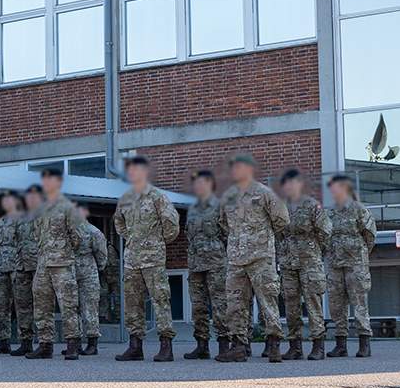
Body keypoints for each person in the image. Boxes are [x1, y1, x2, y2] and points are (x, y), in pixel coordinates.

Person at [216, 153, 289, 363]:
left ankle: (273, 344)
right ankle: (238, 346)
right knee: (235, 304)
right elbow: (223, 224)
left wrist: (261, 239)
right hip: (236, 260)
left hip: (261, 258)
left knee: (268, 301)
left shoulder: (265, 193)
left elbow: (282, 220)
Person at [113, 156, 179, 362]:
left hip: (153, 259)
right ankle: (135, 346)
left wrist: (155, 242)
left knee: (160, 300)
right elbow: (119, 224)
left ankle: (166, 346)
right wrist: (134, 240)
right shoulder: (125, 199)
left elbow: (172, 225)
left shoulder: (157, 196)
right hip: (132, 259)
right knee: (132, 302)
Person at [27, 171, 87, 360]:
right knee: (42, 305)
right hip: (43, 264)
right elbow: (36, 235)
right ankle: (45, 344)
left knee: (68, 305)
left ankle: (72, 344)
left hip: (62, 263)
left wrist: (62, 251)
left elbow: (78, 237)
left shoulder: (68, 207)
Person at [276, 169, 332, 361]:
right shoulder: (281, 208)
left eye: (292, 182)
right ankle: (295, 346)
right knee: (291, 305)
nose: (289, 187)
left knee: (313, 303)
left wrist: (315, 252)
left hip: (309, 263)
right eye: (286, 184)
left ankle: (318, 346)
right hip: (288, 263)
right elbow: (277, 234)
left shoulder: (311, 205)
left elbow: (325, 232)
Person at [325, 174, 377, 358]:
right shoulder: (330, 212)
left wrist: (359, 253)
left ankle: (364, 343)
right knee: (336, 304)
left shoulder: (358, 209)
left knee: (359, 303)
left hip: (355, 264)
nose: (332, 191)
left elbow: (370, 235)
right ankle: (341, 344)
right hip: (334, 264)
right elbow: (324, 236)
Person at [181, 170, 227, 360]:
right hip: (195, 265)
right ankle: (202, 345)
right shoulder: (192, 209)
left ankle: (225, 345)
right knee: (198, 307)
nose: (197, 186)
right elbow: (188, 235)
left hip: (215, 263)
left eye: (201, 182)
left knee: (219, 305)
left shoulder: (220, 206)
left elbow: (227, 233)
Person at [0, 191, 24, 356]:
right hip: (1, 267)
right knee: (1, 306)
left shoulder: (23, 220)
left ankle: (26, 341)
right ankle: (3, 341)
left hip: (17, 267)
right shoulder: (0, 222)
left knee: (22, 305)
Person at [71, 204, 108, 356]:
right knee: (73, 308)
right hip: (71, 273)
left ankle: (92, 343)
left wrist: (97, 268)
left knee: (90, 309)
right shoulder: (68, 232)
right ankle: (75, 342)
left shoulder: (94, 231)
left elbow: (102, 255)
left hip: (88, 274)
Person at [12, 186, 44, 356]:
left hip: (39, 265)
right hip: (22, 265)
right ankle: (26, 341)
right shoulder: (20, 218)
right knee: (22, 305)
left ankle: (45, 341)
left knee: (41, 305)